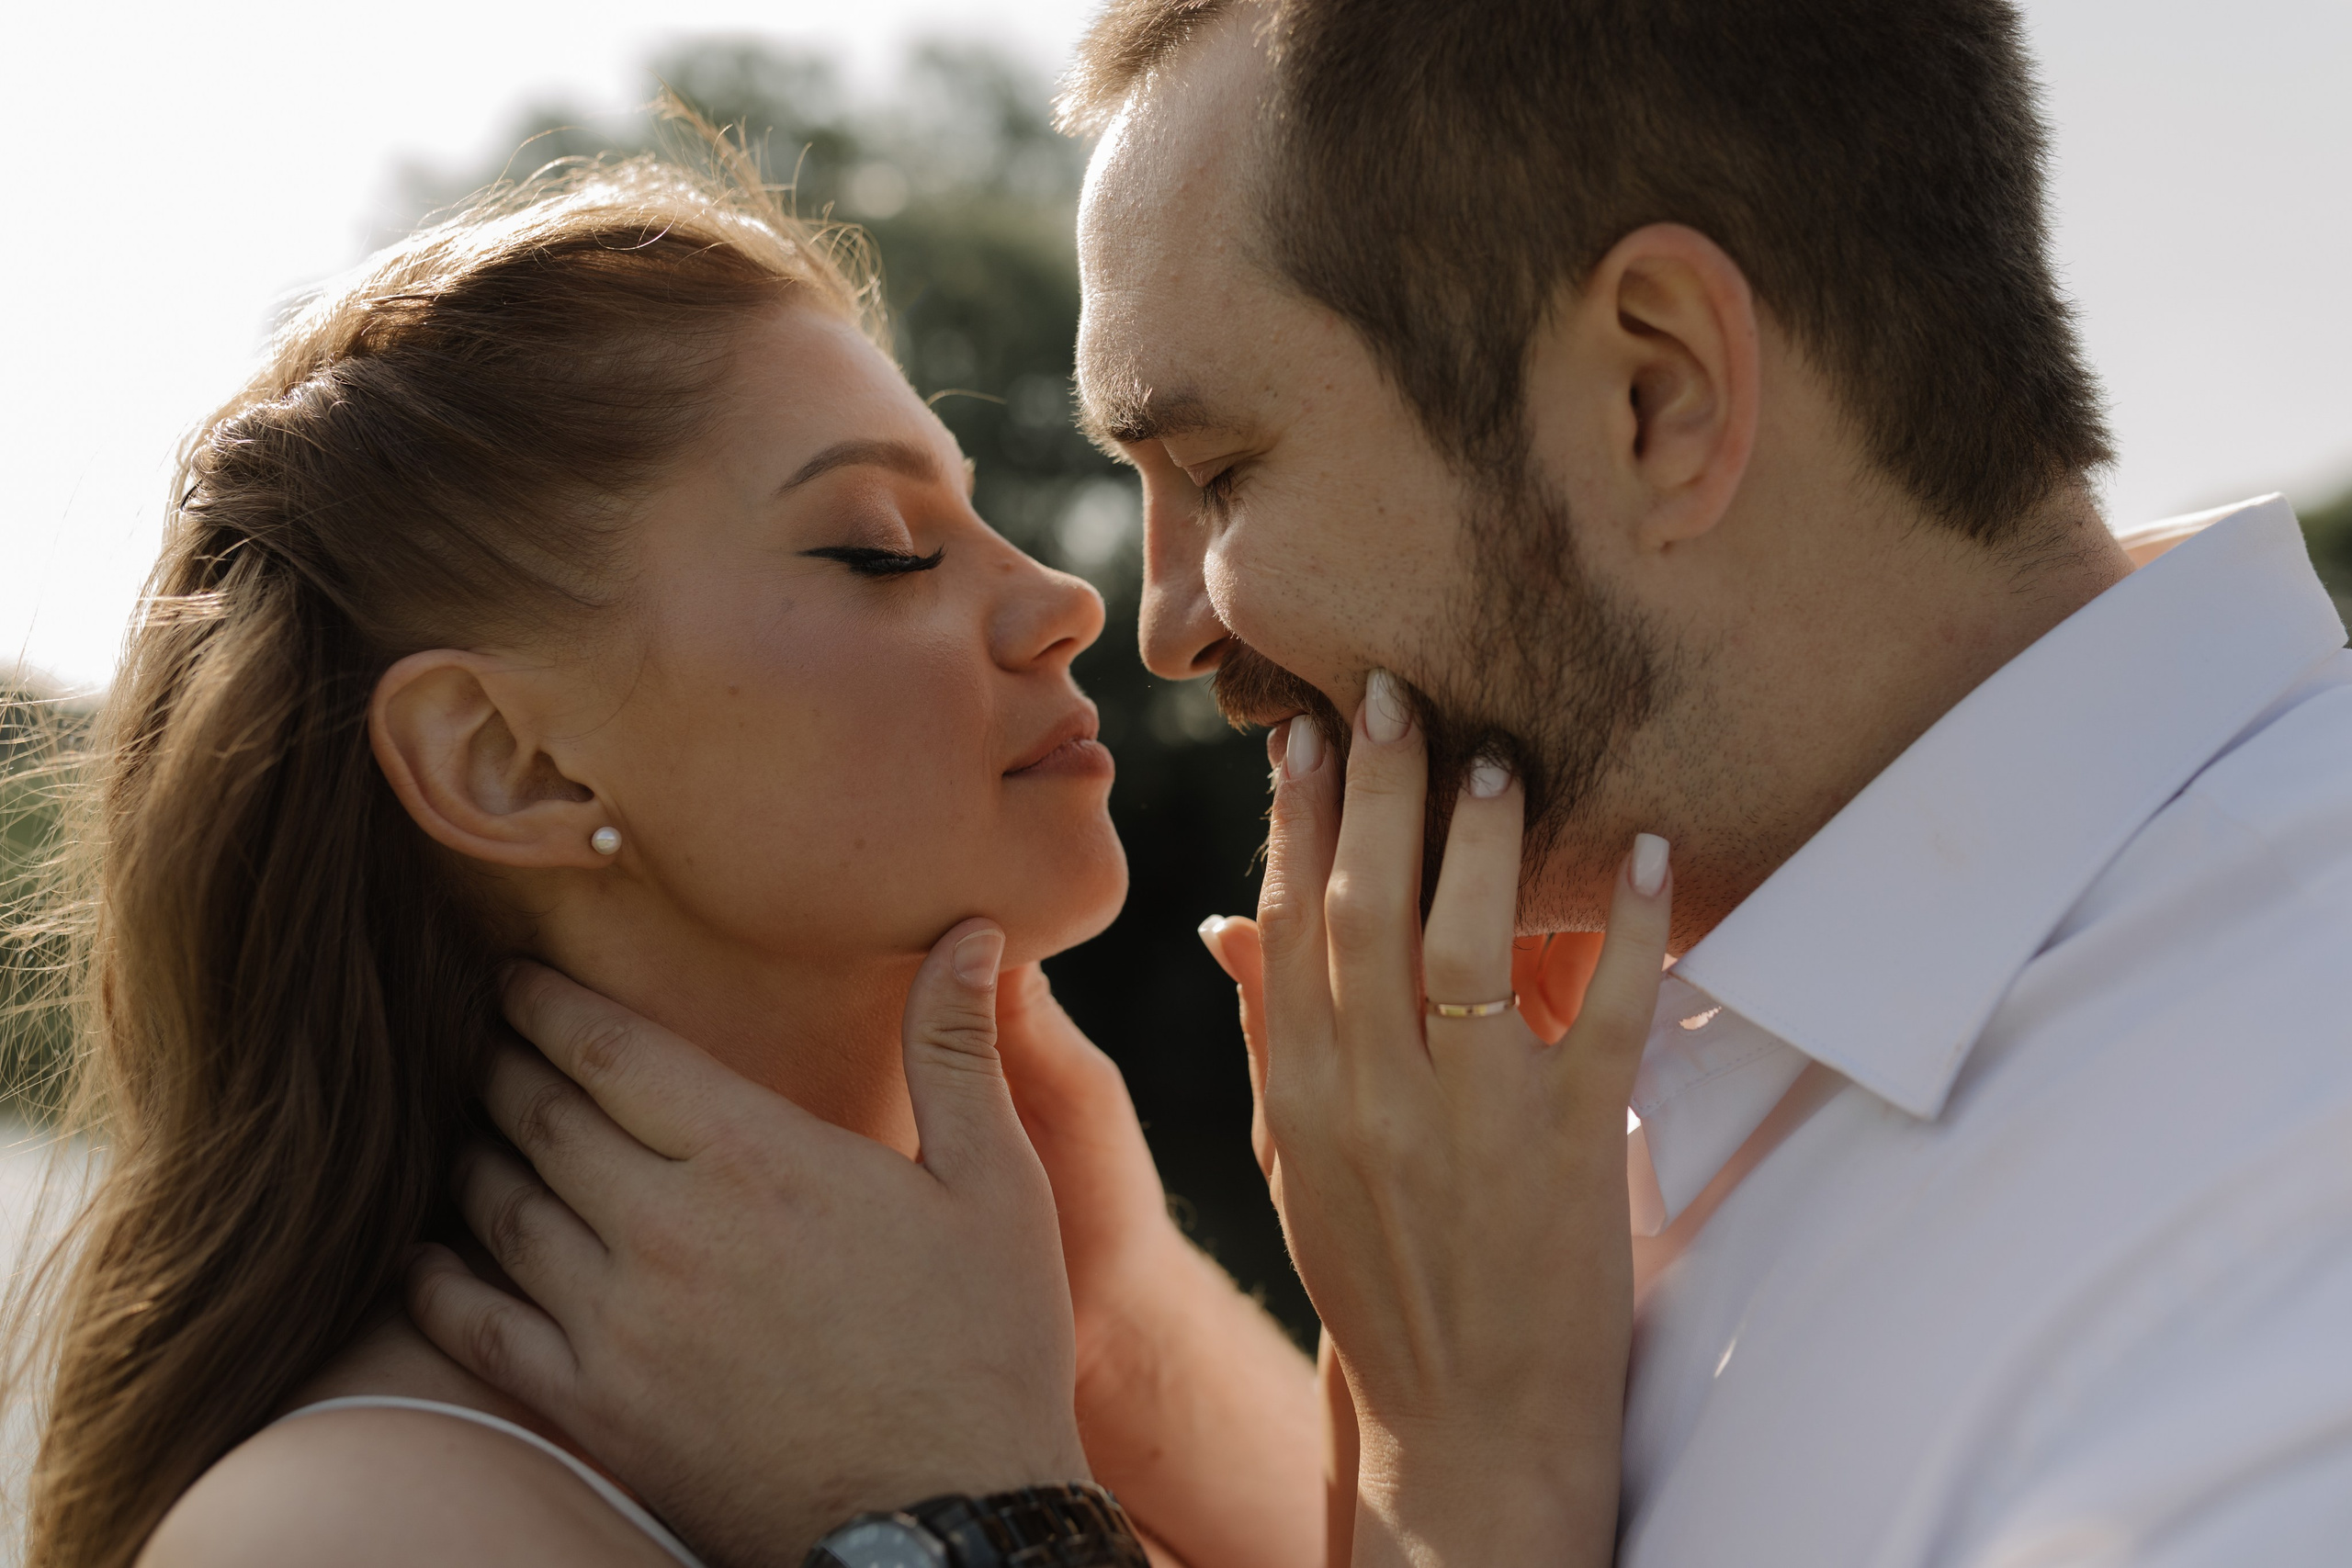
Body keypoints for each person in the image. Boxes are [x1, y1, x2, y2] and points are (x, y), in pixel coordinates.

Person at [412, 1, 2352, 1565]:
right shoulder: (1570, 1086)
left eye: (1223, 471)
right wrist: (1149, 1344)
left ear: (1652, 396)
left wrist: (963, 1519)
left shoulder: (2274, 1242)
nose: (1154, 621)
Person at [14, 121, 1689, 1568]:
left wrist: (1113, 1318)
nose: (1064, 601)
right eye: (884, 549)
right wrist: (975, 1517)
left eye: (979, 517)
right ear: (509, 759)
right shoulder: (358, 1529)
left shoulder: (1001, 1359)